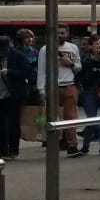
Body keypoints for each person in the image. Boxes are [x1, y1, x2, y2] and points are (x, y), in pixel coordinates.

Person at [41, 25, 81, 153]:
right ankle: (55, 142)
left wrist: (71, 64)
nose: (59, 35)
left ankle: (72, 145)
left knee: (70, 116)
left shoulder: (73, 48)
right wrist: (41, 89)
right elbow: (41, 71)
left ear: (67, 34)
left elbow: (79, 66)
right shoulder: (45, 49)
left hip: (69, 84)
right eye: (57, 33)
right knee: (53, 117)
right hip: (52, 86)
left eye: (62, 33)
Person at [0, 35, 27, 158]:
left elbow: (27, 73)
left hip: (14, 95)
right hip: (1, 94)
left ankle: (13, 150)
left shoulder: (18, 56)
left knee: (13, 123)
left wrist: (10, 72)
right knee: (1, 124)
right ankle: (2, 150)